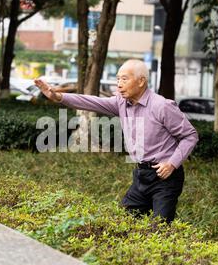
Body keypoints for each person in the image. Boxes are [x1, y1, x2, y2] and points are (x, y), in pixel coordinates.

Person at [34, 59, 198, 223]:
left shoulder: (161, 106)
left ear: (141, 81)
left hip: (165, 177)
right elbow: (92, 102)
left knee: (160, 228)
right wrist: (58, 96)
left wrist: (172, 163)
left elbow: (190, 135)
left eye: (124, 79)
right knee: (123, 223)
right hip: (141, 175)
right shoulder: (121, 102)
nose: (119, 84)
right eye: (118, 79)